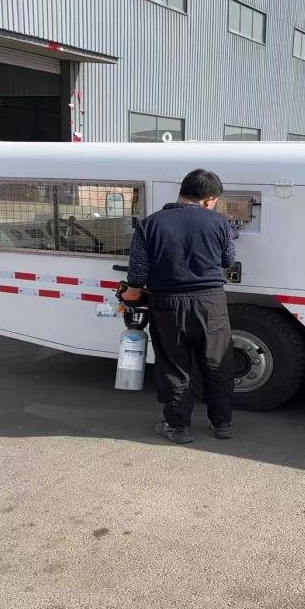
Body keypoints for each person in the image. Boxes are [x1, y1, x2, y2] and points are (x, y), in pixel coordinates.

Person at [121, 169, 237, 444]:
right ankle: (222, 423)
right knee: (217, 363)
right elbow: (228, 260)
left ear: (182, 191)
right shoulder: (219, 222)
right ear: (209, 199)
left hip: (167, 304)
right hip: (211, 302)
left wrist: (131, 295)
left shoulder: (149, 224)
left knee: (173, 365)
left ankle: (179, 427)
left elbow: (137, 274)